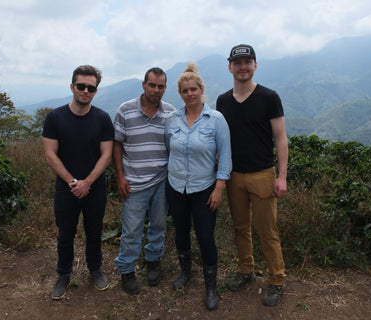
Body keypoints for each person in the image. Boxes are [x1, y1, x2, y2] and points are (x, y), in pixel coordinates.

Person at [216, 44, 289, 307]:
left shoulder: (269, 97)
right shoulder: (223, 101)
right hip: (234, 174)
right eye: (238, 63)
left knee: (267, 230)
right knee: (240, 228)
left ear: (255, 65)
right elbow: (220, 141)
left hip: (262, 174)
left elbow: (280, 139)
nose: (243, 67)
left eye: (248, 62)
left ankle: (277, 279)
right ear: (230, 67)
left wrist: (281, 176)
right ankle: (246, 270)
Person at [42, 65, 114, 300]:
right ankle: (63, 274)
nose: (85, 90)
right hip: (66, 188)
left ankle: (95, 269)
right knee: (65, 233)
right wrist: (73, 182)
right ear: (72, 86)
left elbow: (107, 154)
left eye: (90, 87)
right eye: (81, 86)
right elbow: (50, 153)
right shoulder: (55, 117)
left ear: (95, 90)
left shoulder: (102, 118)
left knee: (94, 231)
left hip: (95, 188)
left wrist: (88, 182)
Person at [165, 63, 232, 311]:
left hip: (204, 188)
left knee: (205, 237)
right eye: (185, 90)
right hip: (176, 187)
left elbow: (225, 155)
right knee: (181, 233)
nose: (190, 93)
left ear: (202, 89)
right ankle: (186, 272)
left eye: (194, 89)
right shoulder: (172, 120)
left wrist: (219, 187)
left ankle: (211, 286)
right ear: (180, 94)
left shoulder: (216, 120)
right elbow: (167, 148)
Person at [113, 67, 176, 295]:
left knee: (158, 225)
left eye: (160, 86)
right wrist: (120, 176)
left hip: (161, 180)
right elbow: (117, 144)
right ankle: (127, 269)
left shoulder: (170, 113)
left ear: (165, 88)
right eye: (152, 85)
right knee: (131, 229)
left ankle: (153, 260)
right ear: (144, 85)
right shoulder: (125, 110)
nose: (156, 90)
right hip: (133, 182)